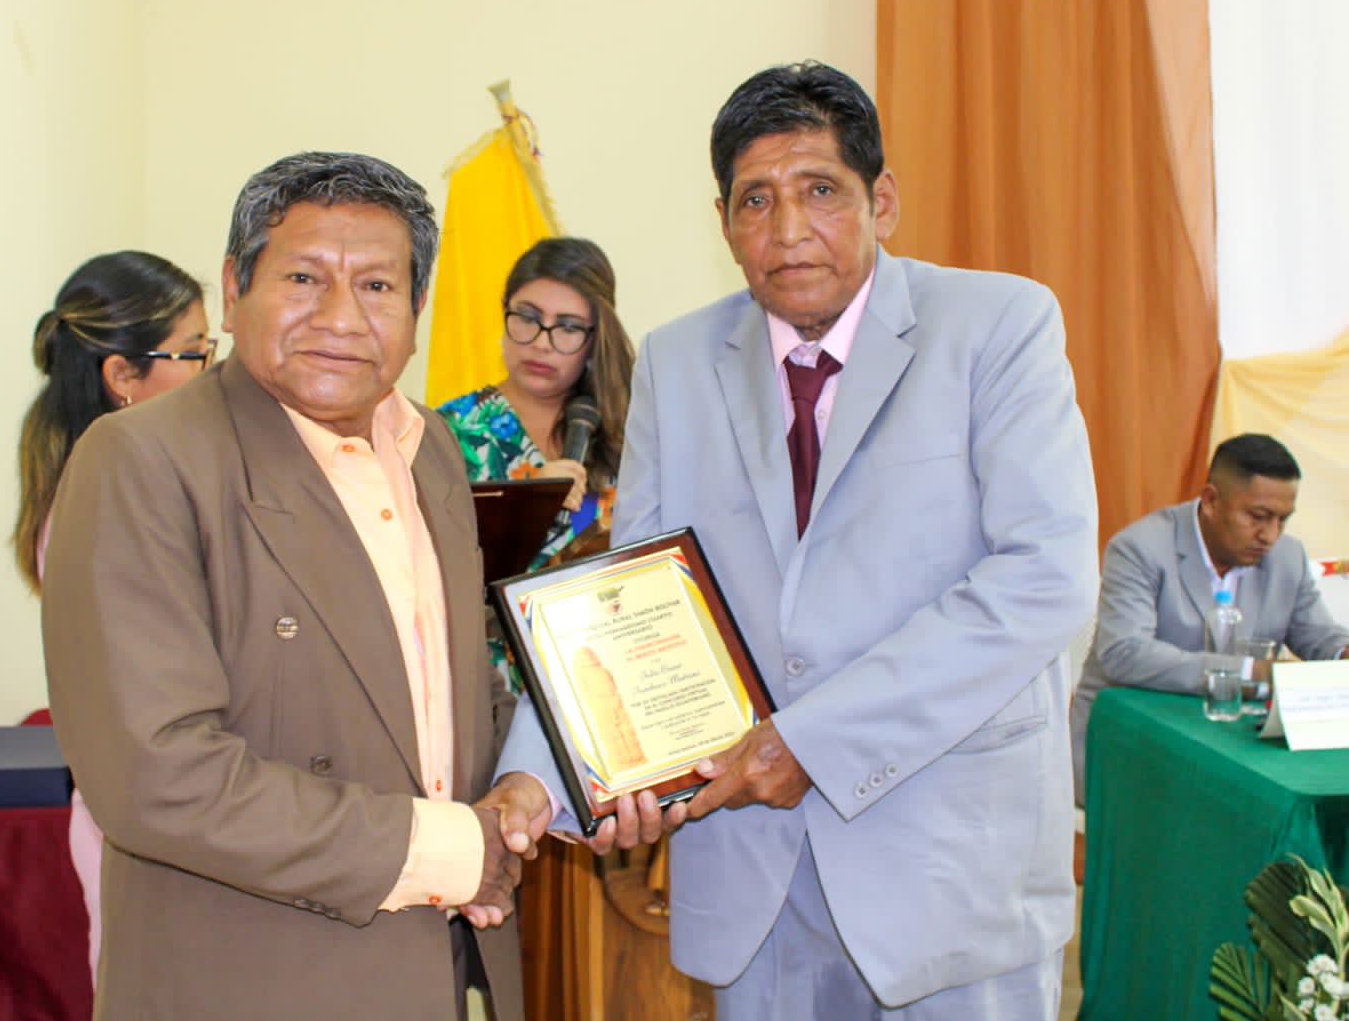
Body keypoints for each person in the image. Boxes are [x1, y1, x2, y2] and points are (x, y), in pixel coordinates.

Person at [487, 61, 1100, 1019]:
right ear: (723, 219)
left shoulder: (998, 325)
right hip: (751, 878)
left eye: (820, 190)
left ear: (880, 200)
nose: (786, 229)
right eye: (755, 200)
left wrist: (810, 741)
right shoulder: (680, 360)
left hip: (946, 868)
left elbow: (1043, 578)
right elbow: (627, 599)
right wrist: (538, 777)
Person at [41, 152, 528, 1021]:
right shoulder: (141, 462)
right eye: (304, 277)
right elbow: (157, 773)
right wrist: (454, 849)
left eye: (377, 285)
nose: (340, 317)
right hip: (251, 978)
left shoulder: (432, 451)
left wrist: (546, 782)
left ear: (418, 308)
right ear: (235, 289)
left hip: (427, 974)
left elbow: (452, 689)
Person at [12, 249, 212, 984]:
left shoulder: (137, 478)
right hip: (147, 824)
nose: (210, 372)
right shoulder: (102, 503)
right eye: (193, 353)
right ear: (123, 375)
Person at [1070, 433, 1349, 793]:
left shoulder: (1287, 557)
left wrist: (1342, 653)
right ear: (1212, 500)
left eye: (1283, 520)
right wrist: (1250, 672)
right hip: (1132, 746)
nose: (1270, 535)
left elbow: (1319, 636)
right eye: (1258, 517)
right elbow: (1124, 654)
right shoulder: (1141, 548)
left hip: (1236, 750)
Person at [438, 236, 636, 690]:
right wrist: (524, 508)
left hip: (606, 673)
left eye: (567, 327)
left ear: (595, 339)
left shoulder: (631, 433)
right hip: (491, 684)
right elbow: (424, 573)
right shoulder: (447, 432)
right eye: (527, 318)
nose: (542, 343)